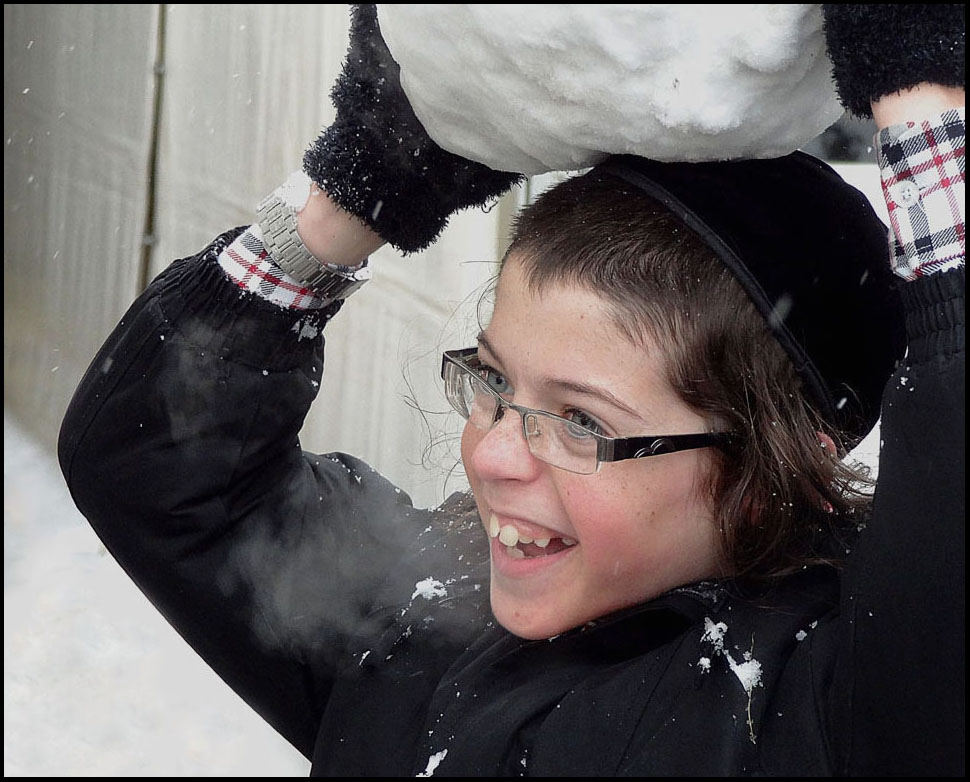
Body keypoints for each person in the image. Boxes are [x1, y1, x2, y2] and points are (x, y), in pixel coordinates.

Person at [59, 4, 964, 776]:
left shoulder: (811, 715)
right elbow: (156, 470)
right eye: (492, 380)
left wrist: (924, 97)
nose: (488, 453)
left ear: (772, 467)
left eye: (580, 422)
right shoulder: (421, 611)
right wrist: (355, 186)